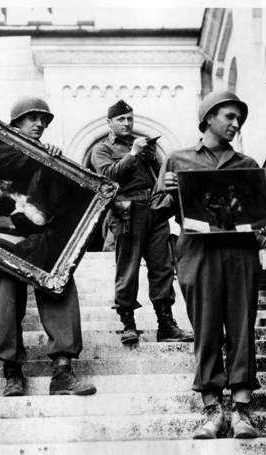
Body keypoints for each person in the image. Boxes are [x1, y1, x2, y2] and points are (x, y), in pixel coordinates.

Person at [0, 97, 97, 397]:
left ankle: (63, 372)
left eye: (44, 119)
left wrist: (55, 164)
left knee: (59, 287)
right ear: (16, 123)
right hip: (4, 239)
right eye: (33, 118)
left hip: (43, 241)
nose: (40, 123)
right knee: (7, 302)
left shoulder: (47, 157)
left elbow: (61, 204)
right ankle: (12, 373)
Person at [152, 90, 266, 439]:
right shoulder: (178, 160)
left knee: (241, 327)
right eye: (229, 117)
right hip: (197, 253)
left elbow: (264, 215)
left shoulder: (248, 165)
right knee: (205, 329)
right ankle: (212, 410)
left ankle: (241, 410)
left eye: (239, 119)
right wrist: (167, 189)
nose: (236, 124)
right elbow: (158, 211)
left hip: (240, 253)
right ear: (208, 118)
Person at [91, 100, 193, 345]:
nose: (127, 123)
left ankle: (166, 325)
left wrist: (154, 161)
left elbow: (159, 178)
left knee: (162, 268)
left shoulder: (143, 147)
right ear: (109, 123)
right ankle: (128, 324)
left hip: (155, 211)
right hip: (127, 212)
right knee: (128, 269)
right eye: (121, 119)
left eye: (129, 119)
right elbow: (107, 178)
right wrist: (133, 154)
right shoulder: (102, 149)